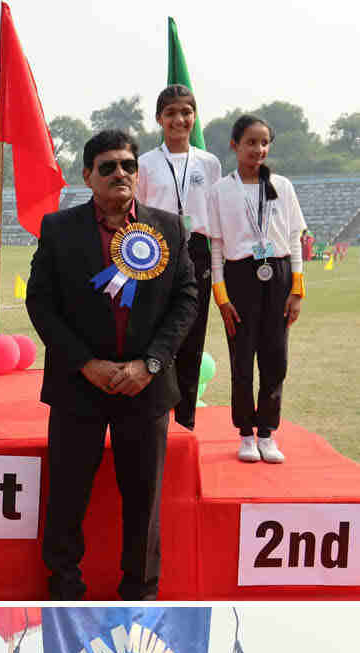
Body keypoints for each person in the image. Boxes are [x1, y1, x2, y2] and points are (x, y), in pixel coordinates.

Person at [26, 129, 198, 600]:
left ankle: (140, 591)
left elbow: (186, 300)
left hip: (147, 387)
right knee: (66, 496)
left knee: (144, 501)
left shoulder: (169, 227)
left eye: (127, 165)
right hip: (79, 385)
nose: (119, 173)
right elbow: (41, 304)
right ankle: (64, 587)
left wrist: (152, 364)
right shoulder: (60, 229)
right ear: (88, 176)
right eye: (108, 167)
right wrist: (85, 363)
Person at [208, 116, 305, 464]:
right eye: (251, 142)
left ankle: (267, 432)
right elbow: (216, 247)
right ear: (235, 145)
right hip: (239, 276)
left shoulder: (283, 186)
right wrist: (222, 298)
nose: (258, 149)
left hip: (278, 275)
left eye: (264, 143)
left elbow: (293, 239)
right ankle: (245, 433)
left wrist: (297, 290)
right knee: (243, 360)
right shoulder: (221, 190)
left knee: (275, 358)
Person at [136, 86, 221, 429]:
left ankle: (185, 422)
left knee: (191, 335)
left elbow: (214, 217)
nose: (179, 120)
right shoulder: (145, 164)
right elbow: (136, 213)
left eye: (186, 112)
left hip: (197, 251)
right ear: (159, 119)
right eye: (171, 113)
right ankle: (154, 418)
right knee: (155, 334)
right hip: (154, 250)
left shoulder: (209, 163)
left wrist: (219, 271)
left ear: (194, 117)